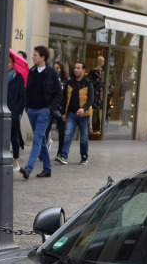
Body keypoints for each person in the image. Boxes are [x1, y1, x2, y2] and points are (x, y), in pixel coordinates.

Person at [19, 45, 61, 180]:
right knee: (41, 139)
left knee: (36, 138)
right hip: (32, 110)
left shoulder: (52, 72)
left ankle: (29, 168)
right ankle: (47, 168)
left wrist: (49, 109)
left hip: (44, 111)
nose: (33, 57)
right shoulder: (31, 71)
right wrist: (27, 107)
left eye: (35, 55)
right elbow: (27, 91)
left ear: (42, 57)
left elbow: (58, 94)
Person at [57, 61, 94, 165]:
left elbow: (91, 99)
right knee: (68, 134)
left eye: (78, 68)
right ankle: (63, 156)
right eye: (75, 68)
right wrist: (64, 112)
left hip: (84, 115)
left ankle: (84, 156)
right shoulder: (70, 82)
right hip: (71, 114)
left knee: (83, 137)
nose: (76, 70)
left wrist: (83, 108)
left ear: (83, 70)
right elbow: (65, 98)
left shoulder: (87, 83)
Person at [6, 54, 27, 170]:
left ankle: (16, 160)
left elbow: (22, 97)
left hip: (13, 112)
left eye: (9, 62)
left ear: (13, 64)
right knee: (1, 136)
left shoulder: (18, 77)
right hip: (1, 111)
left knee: (14, 137)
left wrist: (16, 111)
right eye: (6, 62)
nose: (7, 64)